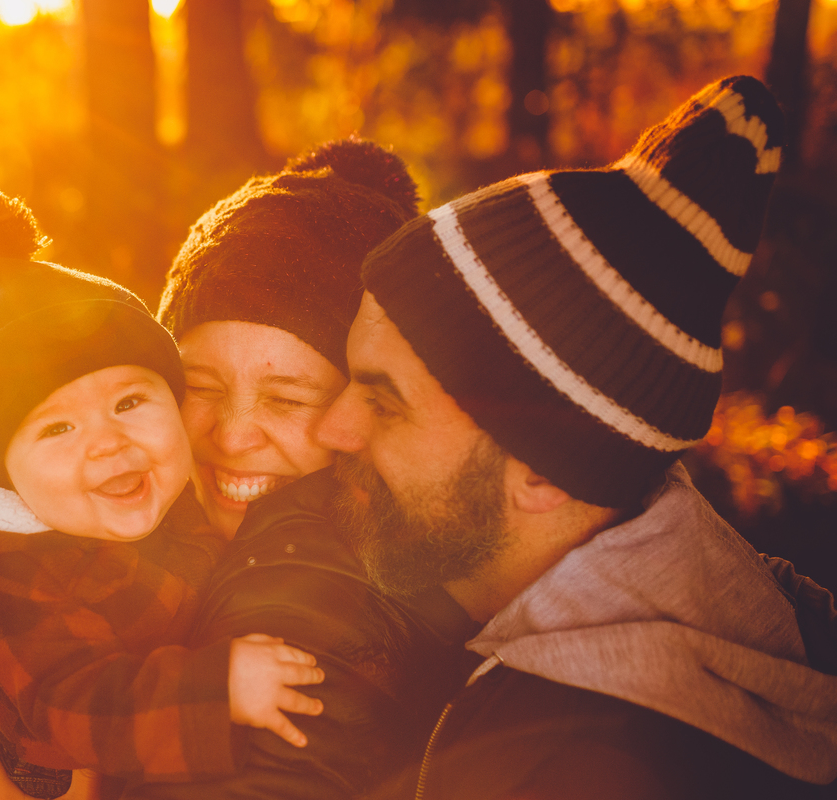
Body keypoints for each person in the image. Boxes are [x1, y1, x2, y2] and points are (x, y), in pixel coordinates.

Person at [315, 75, 837, 798]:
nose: (327, 427)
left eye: (385, 403)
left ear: (543, 474)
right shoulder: (769, 618)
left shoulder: (548, 762)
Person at [0, 139, 481, 799]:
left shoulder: (331, 595)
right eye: (201, 387)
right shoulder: (91, 529)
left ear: (362, 406)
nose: (230, 437)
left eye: (287, 399)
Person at [0, 188, 327, 799]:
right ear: (6, 475)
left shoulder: (176, 501)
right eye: (57, 428)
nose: (106, 443)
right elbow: (71, 705)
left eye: (129, 403)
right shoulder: (18, 577)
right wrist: (216, 687)